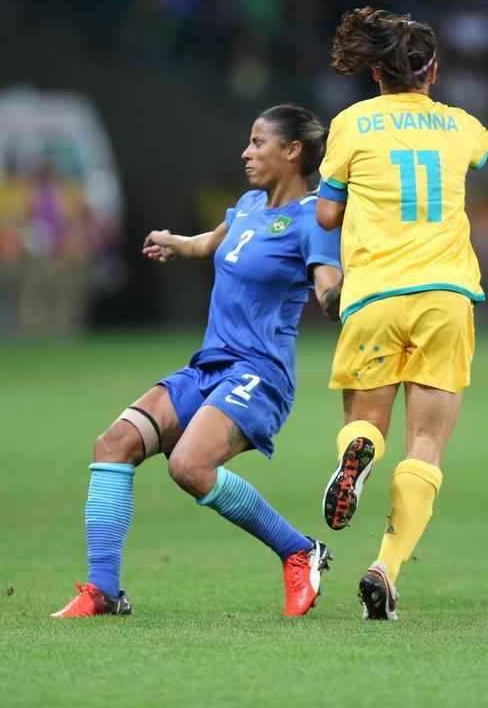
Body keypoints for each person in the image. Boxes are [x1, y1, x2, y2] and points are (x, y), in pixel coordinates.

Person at [52, 104, 344, 619]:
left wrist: (339, 298)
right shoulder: (250, 204)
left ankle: (298, 551)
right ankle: (103, 592)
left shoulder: (312, 219)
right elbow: (213, 243)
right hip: (211, 366)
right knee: (113, 445)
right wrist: (174, 243)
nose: (246, 152)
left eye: (258, 142)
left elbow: (327, 284)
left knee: (189, 466)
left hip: (260, 375)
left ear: (293, 151)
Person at [315, 7, 488, 620]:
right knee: (427, 444)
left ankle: (355, 458)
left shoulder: (351, 123)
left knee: (367, 426)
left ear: (375, 72)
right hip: (445, 296)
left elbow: (327, 217)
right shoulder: (457, 125)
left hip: (375, 294)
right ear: (432, 71)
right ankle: (385, 567)